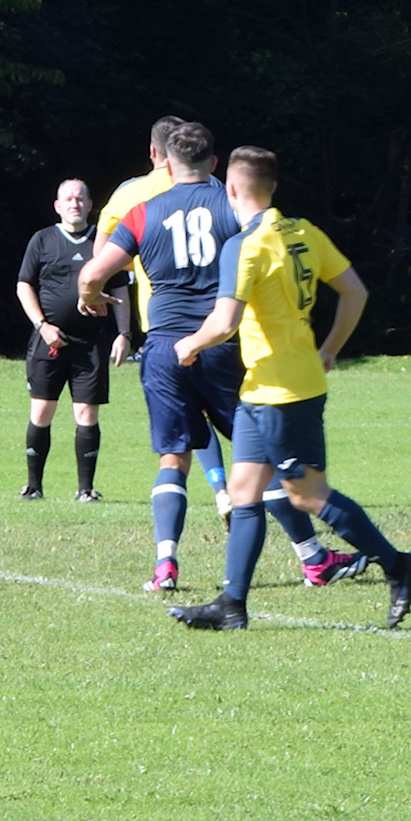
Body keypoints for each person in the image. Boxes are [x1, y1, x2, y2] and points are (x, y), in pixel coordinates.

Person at [78, 125, 368, 593]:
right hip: (221, 344)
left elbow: (94, 271)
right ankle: (313, 558)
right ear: (214, 165)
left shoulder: (142, 212)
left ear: (165, 164)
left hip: (164, 347)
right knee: (262, 459)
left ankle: (165, 566)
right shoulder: (230, 208)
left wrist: (90, 295)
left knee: (172, 458)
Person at [166, 146, 411, 632]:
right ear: (273, 187)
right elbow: (355, 291)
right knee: (244, 492)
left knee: (306, 494)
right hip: (263, 387)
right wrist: (329, 348)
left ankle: (398, 565)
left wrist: (189, 345)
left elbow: (224, 323)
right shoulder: (302, 231)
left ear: (232, 190)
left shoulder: (246, 245)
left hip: (285, 393)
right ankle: (232, 605)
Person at [96, 116, 234, 517]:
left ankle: (168, 555)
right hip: (219, 324)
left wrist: (97, 294)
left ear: (157, 155)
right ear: (211, 161)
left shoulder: (131, 195)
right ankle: (229, 492)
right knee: (242, 430)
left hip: (162, 323)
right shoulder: (219, 192)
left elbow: (101, 252)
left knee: (180, 430)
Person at [16, 178, 126, 501]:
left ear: (91, 205)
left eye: (80, 198)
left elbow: (119, 287)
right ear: (58, 206)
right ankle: (33, 486)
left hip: (91, 342)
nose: (74, 203)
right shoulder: (43, 240)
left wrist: (123, 334)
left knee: (87, 415)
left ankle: (85, 489)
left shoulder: (103, 243)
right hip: (50, 340)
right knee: (41, 411)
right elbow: (24, 285)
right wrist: (42, 325)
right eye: (68, 198)